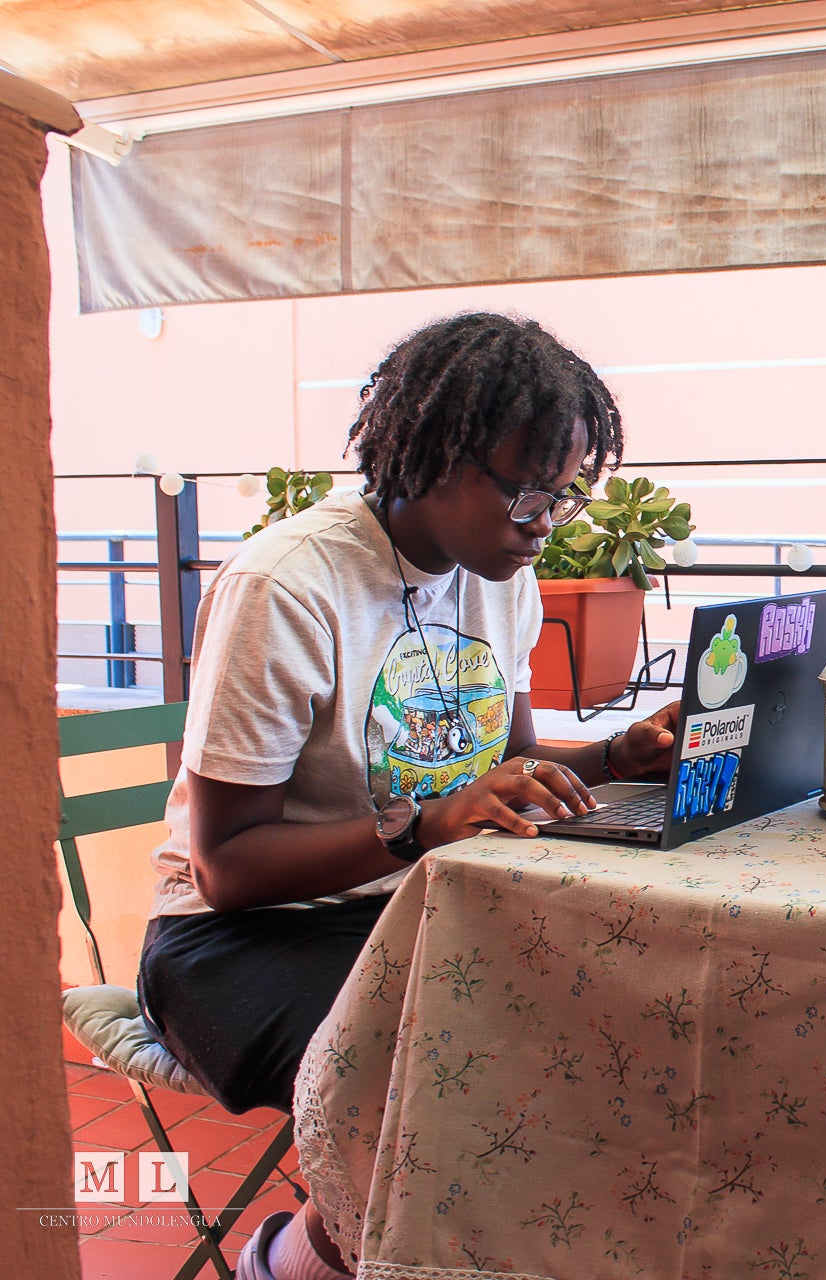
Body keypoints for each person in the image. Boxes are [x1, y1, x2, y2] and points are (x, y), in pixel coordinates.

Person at [136, 313, 680, 1280]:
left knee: (624, 1029)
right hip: (243, 939)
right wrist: (423, 826)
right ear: (431, 455)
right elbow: (225, 870)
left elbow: (506, 763)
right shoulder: (289, 587)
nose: (543, 524)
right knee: (454, 1093)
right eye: (524, 492)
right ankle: (296, 1259)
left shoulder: (497, 575)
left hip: (425, 907)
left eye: (564, 496)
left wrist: (613, 757)